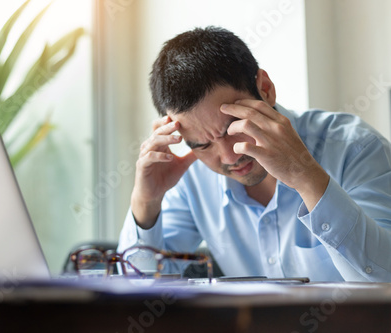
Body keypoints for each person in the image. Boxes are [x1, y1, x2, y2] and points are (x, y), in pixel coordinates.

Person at [117, 26, 391, 282]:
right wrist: (146, 202)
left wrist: (306, 176)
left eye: (233, 127)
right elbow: (140, 289)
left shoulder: (356, 149)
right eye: (201, 145)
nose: (228, 157)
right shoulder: (193, 176)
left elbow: (384, 281)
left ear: (266, 89)